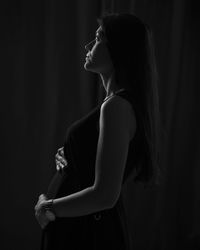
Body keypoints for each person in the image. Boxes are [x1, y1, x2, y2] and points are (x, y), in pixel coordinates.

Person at [34, 11, 165, 250]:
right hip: (80, 227)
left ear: (118, 49)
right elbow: (97, 166)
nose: (89, 45)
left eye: (98, 38)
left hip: (87, 232)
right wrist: (72, 155)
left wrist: (48, 207)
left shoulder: (116, 106)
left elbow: (105, 195)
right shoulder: (116, 104)